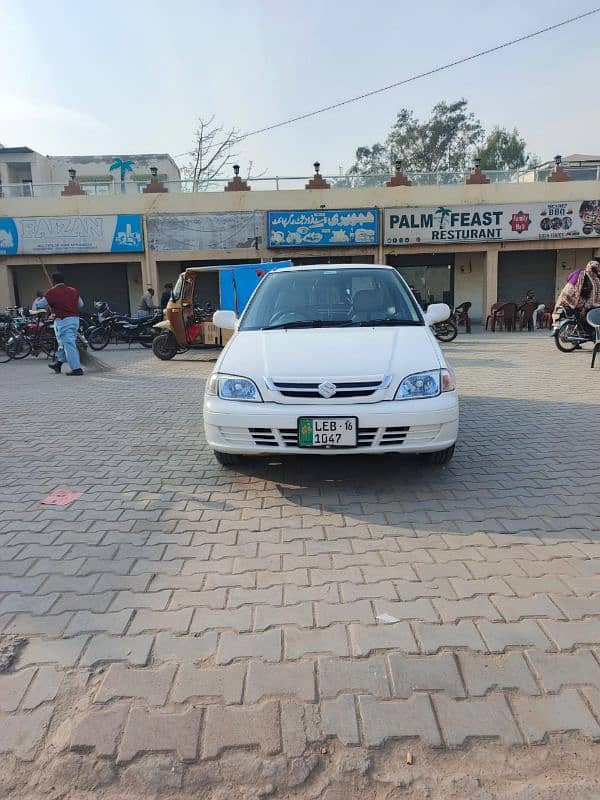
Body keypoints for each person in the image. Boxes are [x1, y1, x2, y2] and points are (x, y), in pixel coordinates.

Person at [38, 272, 84, 376]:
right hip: (75, 320)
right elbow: (81, 304)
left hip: (63, 321)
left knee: (69, 344)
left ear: (53, 281)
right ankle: (58, 364)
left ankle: (77, 369)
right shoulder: (73, 290)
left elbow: (39, 304)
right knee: (63, 343)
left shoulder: (52, 292)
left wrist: (45, 297)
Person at [555, 259, 600, 335]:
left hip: (576, 300)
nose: (594, 271)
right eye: (593, 269)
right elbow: (573, 289)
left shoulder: (595, 279)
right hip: (578, 302)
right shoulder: (582, 275)